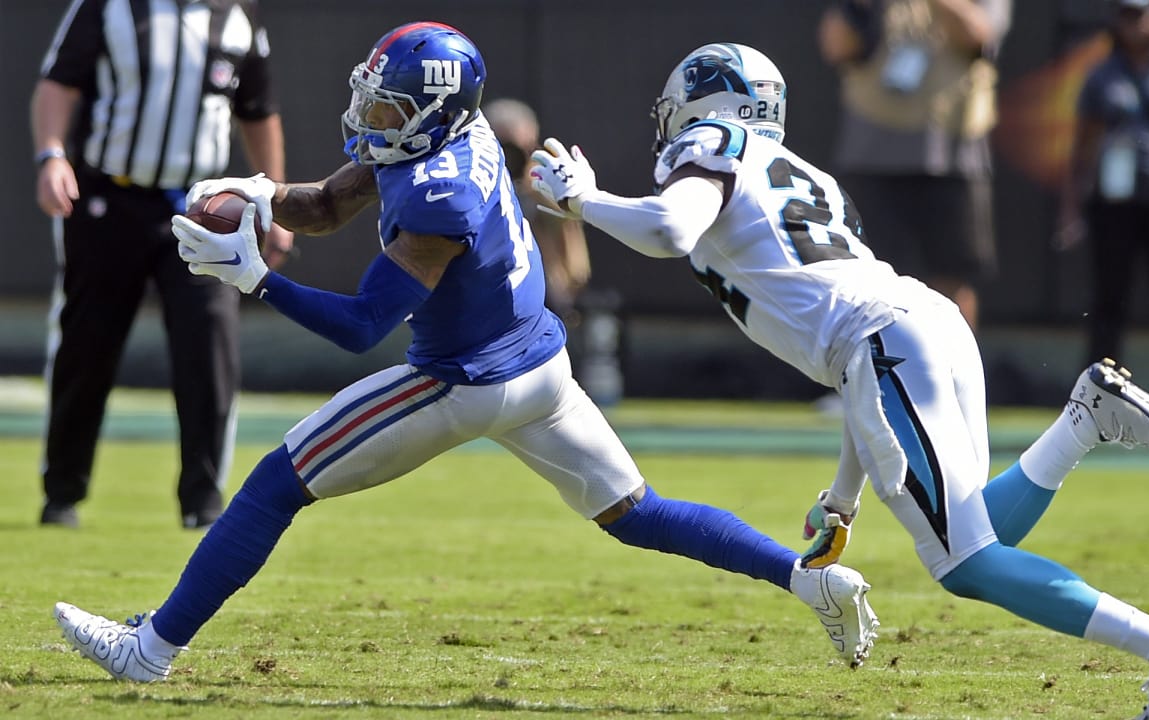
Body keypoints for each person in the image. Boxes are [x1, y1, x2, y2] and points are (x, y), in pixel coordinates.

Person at [50, 22, 880, 684]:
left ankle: (149, 650)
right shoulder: (451, 131)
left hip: (465, 380)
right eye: (371, 103)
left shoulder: (438, 197)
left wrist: (257, 280)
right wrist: (264, 195)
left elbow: (360, 327)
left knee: (275, 482)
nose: (370, 120)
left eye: (386, 109)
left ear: (429, 114)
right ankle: (808, 578)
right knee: (640, 514)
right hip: (539, 369)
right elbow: (335, 200)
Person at [528, 42, 1149, 719]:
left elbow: (670, 231)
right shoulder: (808, 177)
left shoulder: (709, 141)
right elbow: (853, 363)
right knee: (982, 531)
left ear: (710, 101)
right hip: (923, 320)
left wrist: (585, 201)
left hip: (879, 341)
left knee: (967, 564)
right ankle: (1083, 421)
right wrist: (843, 497)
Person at [32, 0, 293, 530]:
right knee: (87, 345)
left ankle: (203, 501)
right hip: (109, 199)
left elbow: (258, 111)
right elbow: (58, 82)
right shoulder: (110, 8)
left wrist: (277, 204)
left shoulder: (237, 19)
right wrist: (51, 155)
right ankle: (62, 491)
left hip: (199, 210)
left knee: (210, 345)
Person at [815, 0, 1010, 330]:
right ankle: (869, 375)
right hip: (871, 156)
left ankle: (955, 378)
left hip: (953, 156)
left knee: (952, 280)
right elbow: (836, 47)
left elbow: (981, 37)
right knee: (863, 276)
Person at [1056, 0, 1149, 399]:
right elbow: (1084, 144)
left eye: (1140, 15)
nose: (1134, 25)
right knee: (1109, 299)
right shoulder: (1102, 76)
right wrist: (1072, 207)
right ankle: (1097, 393)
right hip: (1115, 202)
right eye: (1126, 15)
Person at [483, 98, 591, 324]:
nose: (511, 159)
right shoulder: (468, 187)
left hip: (545, 309)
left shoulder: (544, 185)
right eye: (503, 148)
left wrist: (540, 187)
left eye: (520, 151)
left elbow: (578, 272)